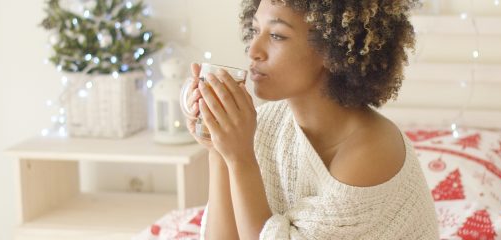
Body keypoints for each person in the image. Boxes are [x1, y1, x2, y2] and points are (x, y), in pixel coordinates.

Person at [183, 0, 439, 239]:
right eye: (255, 31)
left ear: (333, 47)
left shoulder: (373, 151)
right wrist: (218, 150)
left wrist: (240, 158)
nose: (253, 50)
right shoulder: (264, 124)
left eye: (276, 36)